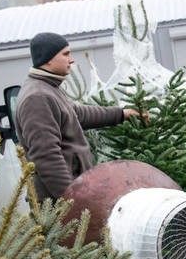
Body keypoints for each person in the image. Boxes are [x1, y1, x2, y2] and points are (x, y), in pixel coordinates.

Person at [15, 32, 142, 202]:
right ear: (48, 59)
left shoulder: (48, 88)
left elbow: (77, 114)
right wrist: (72, 201)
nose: (71, 60)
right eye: (66, 54)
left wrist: (121, 114)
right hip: (57, 207)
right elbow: (46, 156)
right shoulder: (38, 97)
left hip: (73, 194)